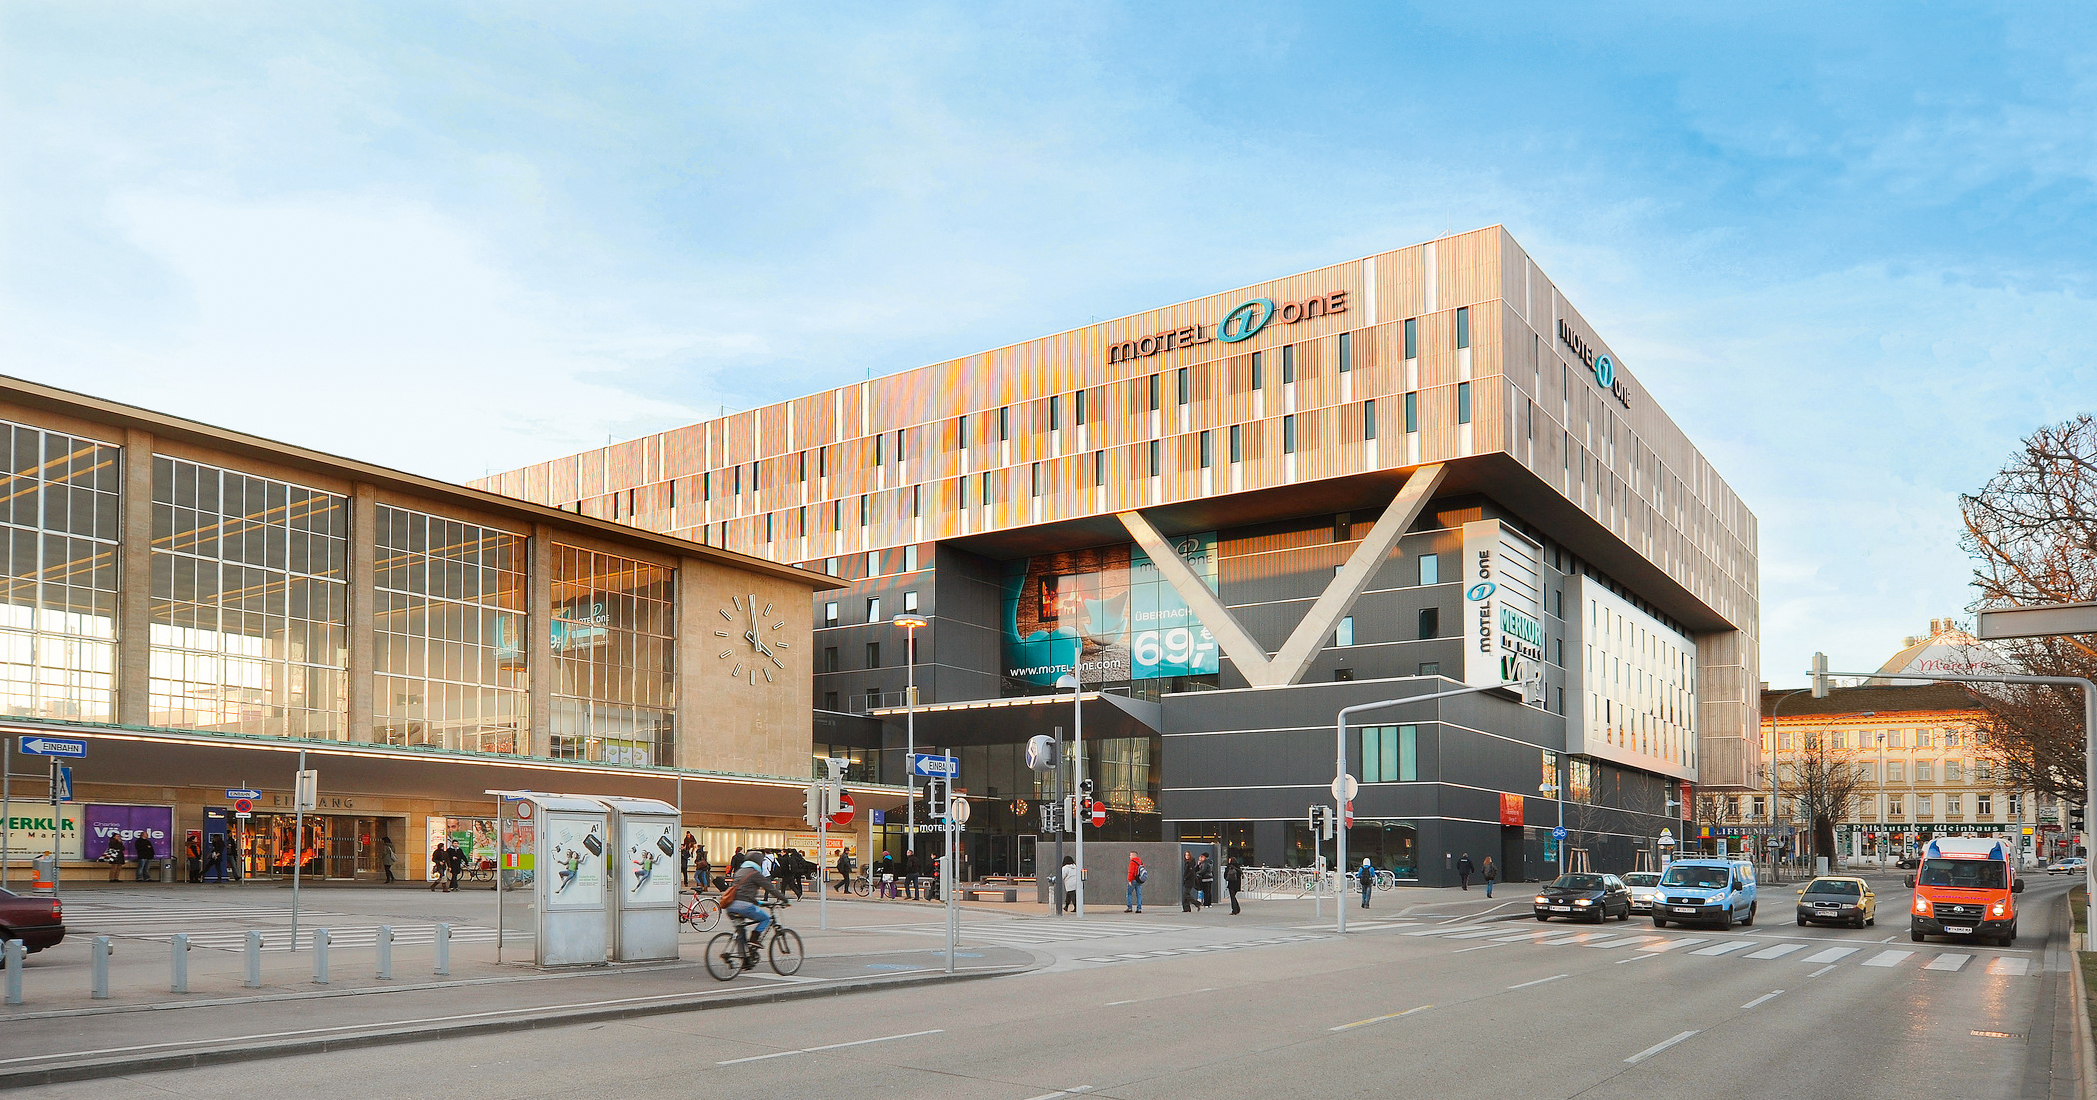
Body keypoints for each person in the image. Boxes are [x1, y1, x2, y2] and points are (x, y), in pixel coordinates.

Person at [722, 857, 787, 963]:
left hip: (731, 907)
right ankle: (754, 940)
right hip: (744, 906)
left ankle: (745, 959)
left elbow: (742, 891)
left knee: (741, 931)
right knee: (765, 919)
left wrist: (758, 902)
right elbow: (770, 888)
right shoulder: (754, 873)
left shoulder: (739, 872)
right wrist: (784, 899)